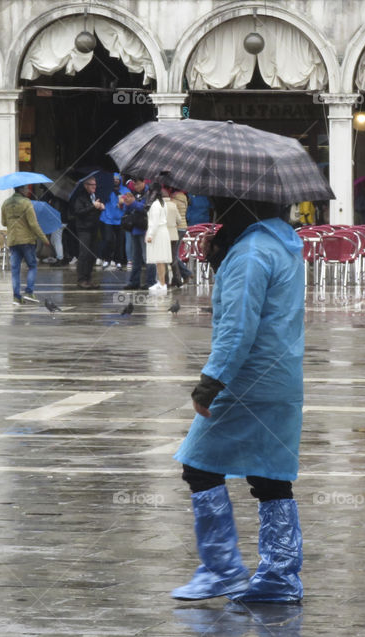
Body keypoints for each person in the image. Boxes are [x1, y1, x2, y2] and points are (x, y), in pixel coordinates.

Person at [172, 197, 305, 604]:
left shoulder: (250, 252)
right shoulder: (283, 243)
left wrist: (211, 381)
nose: (215, 214)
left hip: (246, 381)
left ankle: (222, 569)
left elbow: (238, 326)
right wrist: (220, 262)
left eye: (221, 207)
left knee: (199, 466)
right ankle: (280, 577)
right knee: (269, 477)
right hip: (280, 377)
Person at [2, 184, 49, 304]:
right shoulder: (27, 203)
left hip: (13, 240)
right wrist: (43, 238)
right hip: (27, 240)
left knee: (15, 270)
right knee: (32, 266)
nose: (28, 190)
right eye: (26, 188)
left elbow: (3, 222)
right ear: (21, 189)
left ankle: (16, 296)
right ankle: (29, 291)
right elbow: (33, 224)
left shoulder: (5, 203)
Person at [71, 177, 104, 289]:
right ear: (86, 185)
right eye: (91, 184)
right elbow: (78, 212)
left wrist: (99, 208)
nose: (94, 186)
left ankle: (88, 278)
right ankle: (81, 279)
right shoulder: (80, 197)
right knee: (84, 253)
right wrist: (92, 207)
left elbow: (93, 213)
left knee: (92, 254)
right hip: (84, 229)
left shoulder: (94, 196)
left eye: (95, 184)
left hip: (93, 228)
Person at [122, 179, 155, 290]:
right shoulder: (133, 193)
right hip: (135, 228)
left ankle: (151, 281)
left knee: (147, 257)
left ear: (143, 183)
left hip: (145, 229)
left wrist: (134, 203)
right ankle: (134, 281)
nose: (136, 186)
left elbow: (147, 209)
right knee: (135, 258)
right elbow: (127, 210)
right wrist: (127, 203)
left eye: (138, 183)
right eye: (134, 184)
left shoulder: (150, 193)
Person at [144, 187, 173, 295]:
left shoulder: (155, 205)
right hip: (162, 231)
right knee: (160, 260)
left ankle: (162, 283)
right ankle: (161, 282)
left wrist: (150, 234)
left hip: (158, 233)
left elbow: (154, 222)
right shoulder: (162, 203)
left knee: (159, 260)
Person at [99, 173, 125, 270]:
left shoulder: (125, 191)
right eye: (113, 179)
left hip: (120, 219)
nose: (115, 180)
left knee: (119, 241)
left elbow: (131, 203)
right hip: (107, 218)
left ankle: (118, 261)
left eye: (117, 179)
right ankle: (107, 259)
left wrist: (123, 204)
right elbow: (100, 199)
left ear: (120, 180)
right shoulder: (106, 190)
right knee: (108, 239)